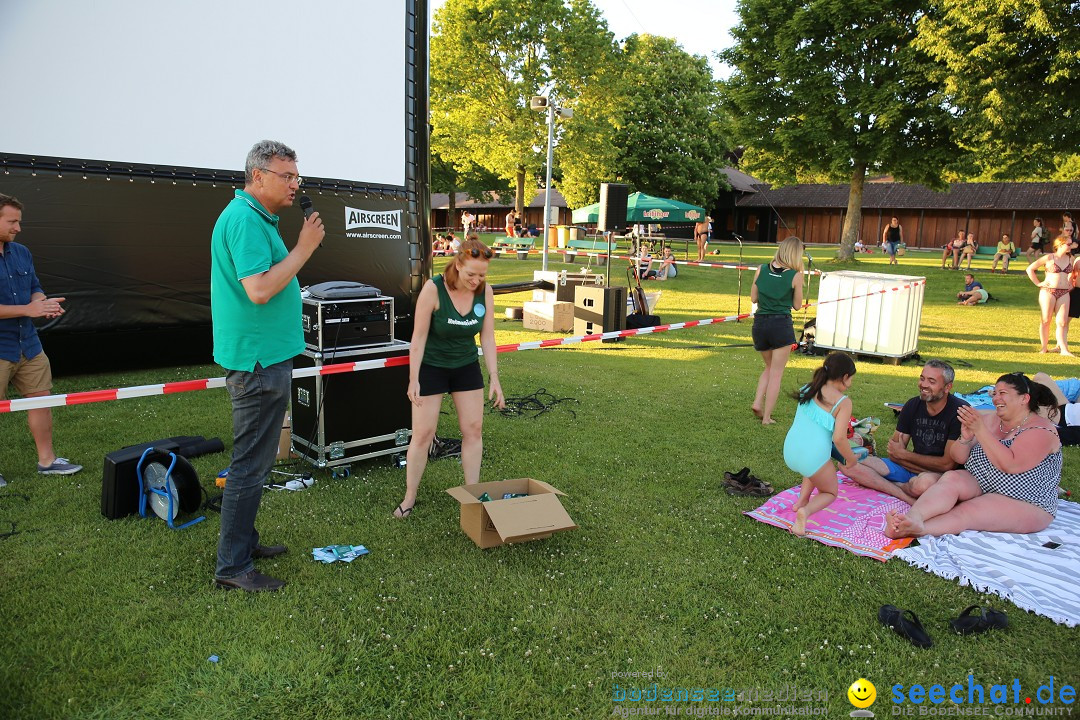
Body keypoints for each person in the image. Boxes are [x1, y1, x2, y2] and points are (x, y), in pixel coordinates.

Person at [210, 140, 325, 592]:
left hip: (265, 355)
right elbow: (258, 290)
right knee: (249, 466)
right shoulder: (243, 220)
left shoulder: (257, 219)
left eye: (297, 176)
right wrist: (304, 249)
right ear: (258, 176)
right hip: (257, 362)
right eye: (287, 176)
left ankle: (244, 542)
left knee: (255, 463)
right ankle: (233, 568)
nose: (296, 184)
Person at [395, 237, 506, 518]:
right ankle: (409, 498)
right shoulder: (433, 289)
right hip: (431, 366)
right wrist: (413, 378)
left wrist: (494, 376)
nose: (476, 280)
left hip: (465, 365)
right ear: (457, 264)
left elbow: (488, 336)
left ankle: (472, 496)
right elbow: (417, 338)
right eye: (471, 274)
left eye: (482, 274)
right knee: (423, 434)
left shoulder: (485, 291)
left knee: (473, 430)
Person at [884, 373, 1062, 539]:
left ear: (1024, 398)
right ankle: (913, 517)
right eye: (994, 393)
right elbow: (959, 458)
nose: (995, 399)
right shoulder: (989, 419)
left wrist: (981, 431)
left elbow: (1011, 465)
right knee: (952, 477)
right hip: (985, 483)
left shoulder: (1040, 430)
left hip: (1026, 499)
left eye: (1002, 393)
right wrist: (965, 439)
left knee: (968, 510)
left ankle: (914, 530)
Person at [0, 194, 83, 487]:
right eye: (12, 222)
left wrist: (42, 303)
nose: (18, 228)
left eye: (18, 222)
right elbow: (27, 305)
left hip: (28, 344)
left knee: (41, 401)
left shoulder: (21, 252)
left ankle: (47, 461)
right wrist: (28, 309)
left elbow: (35, 288)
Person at [845, 360, 968, 505]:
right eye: (922, 378)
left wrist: (905, 455)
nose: (924, 385)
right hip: (909, 469)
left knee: (921, 486)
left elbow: (947, 465)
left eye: (932, 381)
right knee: (847, 461)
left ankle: (891, 485)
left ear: (948, 387)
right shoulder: (912, 405)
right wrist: (905, 459)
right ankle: (904, 494)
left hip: (940, 476)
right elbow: (893, 453)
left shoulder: (960, 412)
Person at [783, 352, 858, 536]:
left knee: (815, 469)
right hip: (812, 457)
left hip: (790, 450)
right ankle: (804, 512)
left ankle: (802, 500)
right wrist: (851, 459)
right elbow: (839, 438)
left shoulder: (808, 388)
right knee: (830, 491)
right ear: (845, 377)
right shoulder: (843, 402)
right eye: (851, 379)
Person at [750, 236, 804, 426]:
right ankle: (767, 417)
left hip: (760, 325)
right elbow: (797, 305)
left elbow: (753, 298)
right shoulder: (796, 275)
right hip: (781, 325)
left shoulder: (761, 269)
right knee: (777, 373)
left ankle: (758, 402)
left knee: (769, 367)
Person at [1025, 236, 1075, 356]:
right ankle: (1044, 347)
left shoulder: (1071, 258)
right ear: (1060, 245)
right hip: (1048, 291)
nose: (1070, 246)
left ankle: (1064, 349)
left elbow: (1073, 273)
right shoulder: (1049, 257)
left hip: (1064, 292)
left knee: (1062, 322)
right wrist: (1038, 283)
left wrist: (1070, 283)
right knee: (1046, 320)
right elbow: (1030, 269)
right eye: (1068, 244)